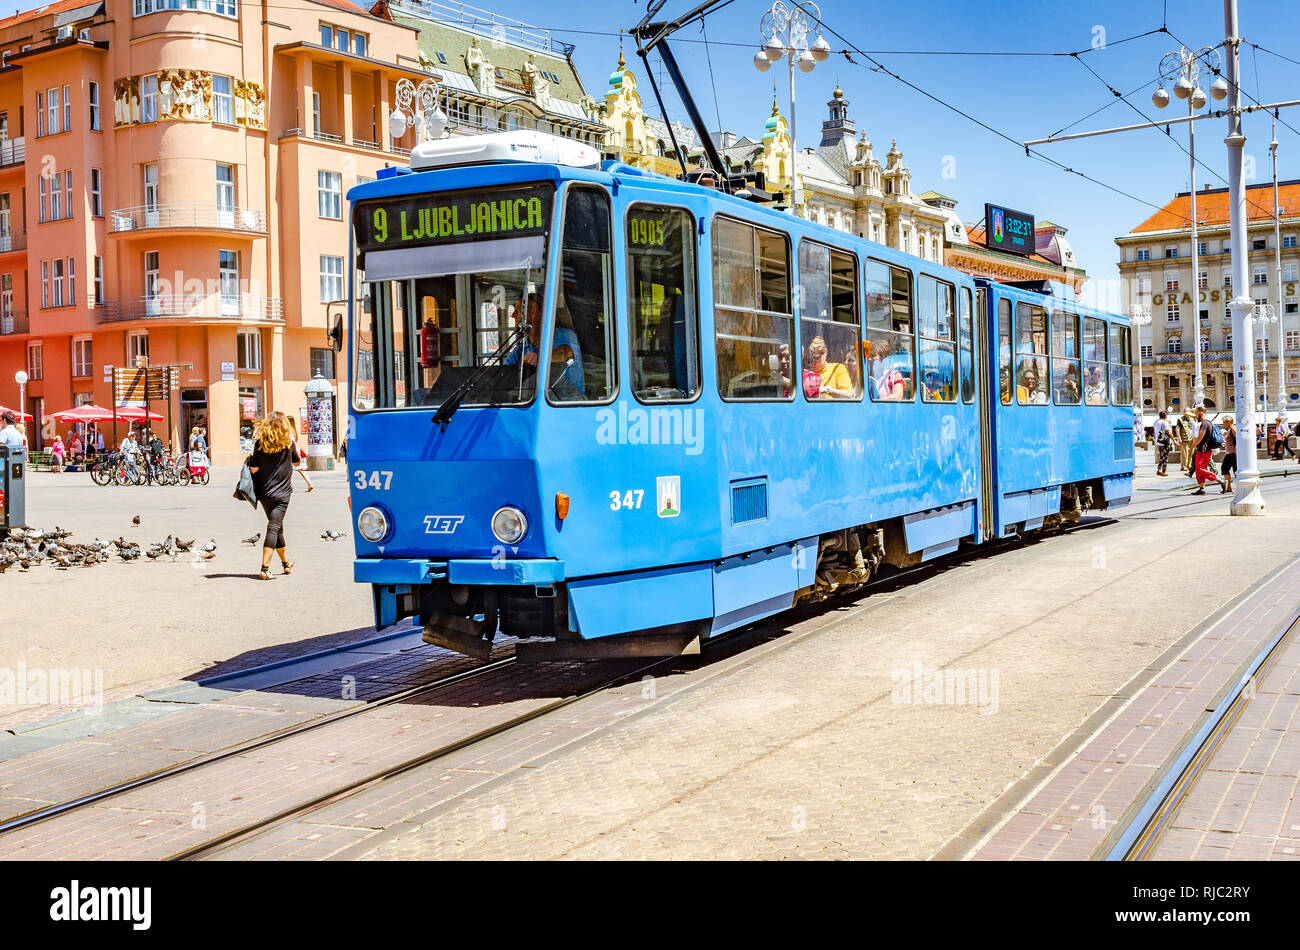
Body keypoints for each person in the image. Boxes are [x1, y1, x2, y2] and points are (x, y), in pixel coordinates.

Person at [246, 411, 301, 580]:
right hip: (282, 493)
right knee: (274, 527)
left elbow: (253, 468)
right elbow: (297, 461)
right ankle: (265, 568)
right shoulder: (288, 443)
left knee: (277, 527)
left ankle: (285, 564)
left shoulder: (260, 443)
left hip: (264, 492)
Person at [502, 295, 584, 398]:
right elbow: (503, 377)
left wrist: (539, 358)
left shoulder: (563, 335)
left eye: (518, 310)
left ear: (534, 312)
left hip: (568, 406)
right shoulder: (520, 349)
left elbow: (564, 353)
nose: (513, 315)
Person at [1189, 407, 1224, 495]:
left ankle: (1220, 480)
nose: (1195, 416)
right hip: (1201, 449)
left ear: (1200, 413)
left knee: (1201, 468)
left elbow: (1200, 437)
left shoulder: (1205, 423)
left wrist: (1191, 447)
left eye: (1196, 414)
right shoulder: (1206, 423)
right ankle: (1201, 488)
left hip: (1205, 450)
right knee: (1198, 469)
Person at [287, 414, 314, 492]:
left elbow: (290, 442)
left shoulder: (288, 430)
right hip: (297, 450)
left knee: (288, 469)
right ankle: (309, 483)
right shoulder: (294, 430)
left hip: (292, 451)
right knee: (300, 469)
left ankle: (289, 486)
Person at [1175, 407, 1196, 475]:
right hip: (1184, 439)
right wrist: (1179, 438)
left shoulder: (1190, 419)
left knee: (1191, 453)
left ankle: (1189, 465)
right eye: (1185, 412)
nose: (1186, 413)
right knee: (1184, 454)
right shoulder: (1180, 419)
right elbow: (1177, 429)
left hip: (1191, 438)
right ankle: (1184, 466)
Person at [1153, 409, 1173, 476]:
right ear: (1165, 416)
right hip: (1165, 441)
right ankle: (1161, 470)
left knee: (1162, 455)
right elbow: (1168, 432)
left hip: (1159, 441)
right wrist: (1174, 440)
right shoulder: (1164, 422)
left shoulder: (1156, 422)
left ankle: (1161, 470)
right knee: (1164, 457)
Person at [1221, 415, 1237, 494]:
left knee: (1235, 470)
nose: (1223, 424)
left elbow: (1237, 440)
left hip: (1233, 453)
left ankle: (1237, 488)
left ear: (1229, 422)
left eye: (1224, 422)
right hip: (1229, 453)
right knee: (1225, 468)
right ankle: (1229, 487)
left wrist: (1236, 451)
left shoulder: (1233, 429)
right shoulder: (1229, 429)